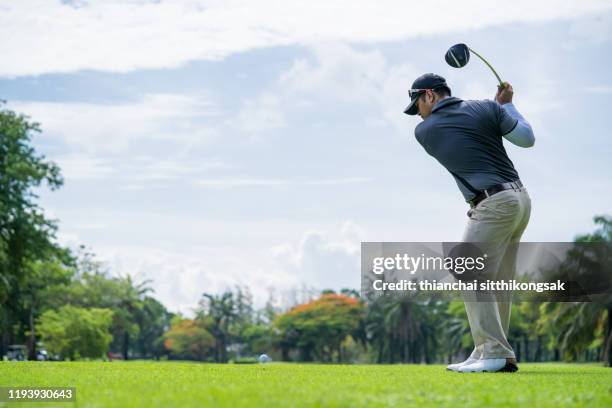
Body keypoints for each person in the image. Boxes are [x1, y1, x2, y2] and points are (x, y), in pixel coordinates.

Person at [405, 73, 534, 373]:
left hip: (493, 204)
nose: (418, 113)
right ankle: (494, 352)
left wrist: (496, 107)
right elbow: (526, 139)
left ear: (430, 95)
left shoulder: (426, 130)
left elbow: (464, 128)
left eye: (418, 104)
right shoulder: (488, 110)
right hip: (521, 200)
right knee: (497, 279)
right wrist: (506, 107)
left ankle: (492, 351)